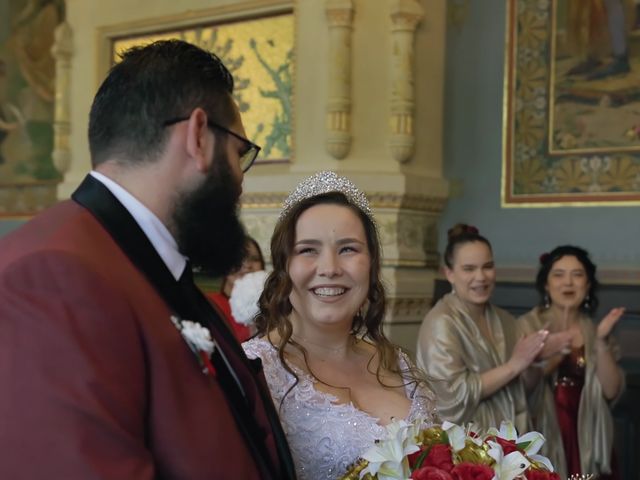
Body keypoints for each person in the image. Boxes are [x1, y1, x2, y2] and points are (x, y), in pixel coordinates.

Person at [0, 40, 295, 479]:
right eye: (238, 153)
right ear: (198, 136)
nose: (239, 182)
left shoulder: (147, 261)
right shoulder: (53, 275)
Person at [242, 171, 437, 480]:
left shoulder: (397, 363)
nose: (330, 268)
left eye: (348, 249)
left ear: (371, 265)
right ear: (284, 266)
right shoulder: (254, 369)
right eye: (308, 250)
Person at [416, 224, 547, 434]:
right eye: (469, 269)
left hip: (512, 437)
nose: (481, 277)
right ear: (449, 273)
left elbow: (521, 390)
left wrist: (534, 360)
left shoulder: (506, 320)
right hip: (468, 444)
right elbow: (450, 397)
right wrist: (513, 365)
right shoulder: (441, 323)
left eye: (487, 266)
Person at [518, 246, 625, 479]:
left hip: (589, 434)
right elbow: (521, 388)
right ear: (546, 284)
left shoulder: (594, 330)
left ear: (587, 286)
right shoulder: (526, 326)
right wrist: (551, 356)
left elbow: (610, 390)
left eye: (577, 275)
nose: (568, 282)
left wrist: (600, 341)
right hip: (542, 429)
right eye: (558, 274)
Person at [208, 235, 265, 342]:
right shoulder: (209, 305)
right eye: (238, 258)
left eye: (255, 259)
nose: (247, 265)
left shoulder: (276, 307)